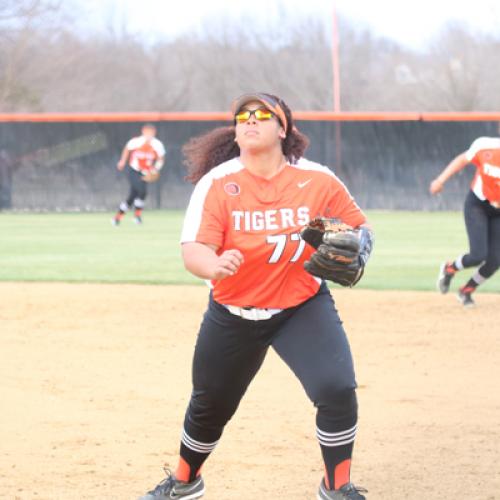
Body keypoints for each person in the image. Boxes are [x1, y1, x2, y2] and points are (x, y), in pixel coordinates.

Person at [138, 93, 374, 500]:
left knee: (336, 388)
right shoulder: (218, 183)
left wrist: (361, 249)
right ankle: (184, 480)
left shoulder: (317, 179)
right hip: (233, 311)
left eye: (263, 115)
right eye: (242, 116)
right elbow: (193, 251)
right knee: (210, 403)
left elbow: (359, 228)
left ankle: (338, 487)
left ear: (283, 129)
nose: (250, 120)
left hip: (301, 306)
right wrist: (212, 266)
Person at [430, 136, 500, 306]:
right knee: (478, 255)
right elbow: (462, 159)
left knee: (495, 260)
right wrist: (440, 180)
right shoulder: (486, 146)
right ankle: (449, 269)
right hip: (478, 205)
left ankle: (466, 291)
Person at [112, 124, 165, 225]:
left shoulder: (157, 144)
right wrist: (122, 161)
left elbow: (161, 159)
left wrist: (155, 169)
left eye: (151, 132)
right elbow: (127, 149)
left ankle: (117, 218)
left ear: (154, 133)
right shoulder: (136, 141)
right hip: (134, 171)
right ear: (143, 132)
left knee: (132, 197)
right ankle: (137, 216)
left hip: (146, 172)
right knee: (142, 191)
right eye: (147, 132)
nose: (149, 134)